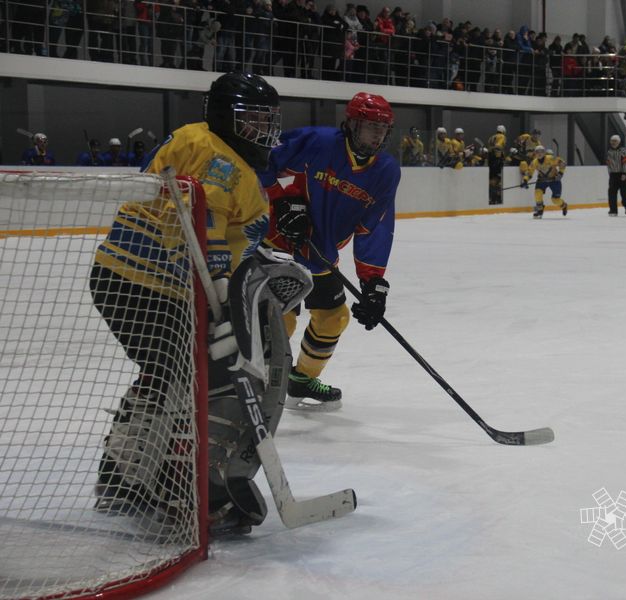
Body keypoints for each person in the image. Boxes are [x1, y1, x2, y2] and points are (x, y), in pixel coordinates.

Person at [89, 72, 286, 536]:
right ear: (226, 117)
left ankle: (122, 478)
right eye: (253, 119)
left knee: (166, 377)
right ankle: (185, 489)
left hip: (147, 283)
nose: (264, 129)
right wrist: (219, 286)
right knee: (201, 381)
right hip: (145, 285)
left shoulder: (227, 153)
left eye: (267, 119)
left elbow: (229, 226)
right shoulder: (214, 153)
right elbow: (203, 219)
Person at [259, 91, 400, 412]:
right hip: (279, 245)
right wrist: (281, 200)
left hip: (319, 253)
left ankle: (301, 381)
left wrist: (373, 284)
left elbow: (374, 226)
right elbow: (261, 161)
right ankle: (262, 383)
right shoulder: (317, 141)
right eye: (369, 128)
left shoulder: (386, 170)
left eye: (382, 130)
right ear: (350, 124)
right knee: (281, 321)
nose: (376, 136)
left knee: (334, 318)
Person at [522, 145, 566, 219]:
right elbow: (529, 173)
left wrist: (560, 174)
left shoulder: (551, 158)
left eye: (541, 152)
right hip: (542, 180)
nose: (539, 154)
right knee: (537, 192)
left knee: (555, 200)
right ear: (535, 154)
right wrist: (525, 180)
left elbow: (563, 163)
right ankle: (540, 210)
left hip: (554, 180)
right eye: (537, 152)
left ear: (544, 153)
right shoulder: (534, 162)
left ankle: (564, 205)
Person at [606, 134, 626, 216]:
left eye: (615, 141)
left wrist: (624, 173)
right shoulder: (609, 152)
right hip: (613, 175)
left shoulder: (622, 151)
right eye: (612, 141)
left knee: (624, 193)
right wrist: (610, 173)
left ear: (619, 142)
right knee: (611, 193)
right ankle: (613, 210)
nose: (613, 142)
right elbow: (608, 163)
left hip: (622, 174)